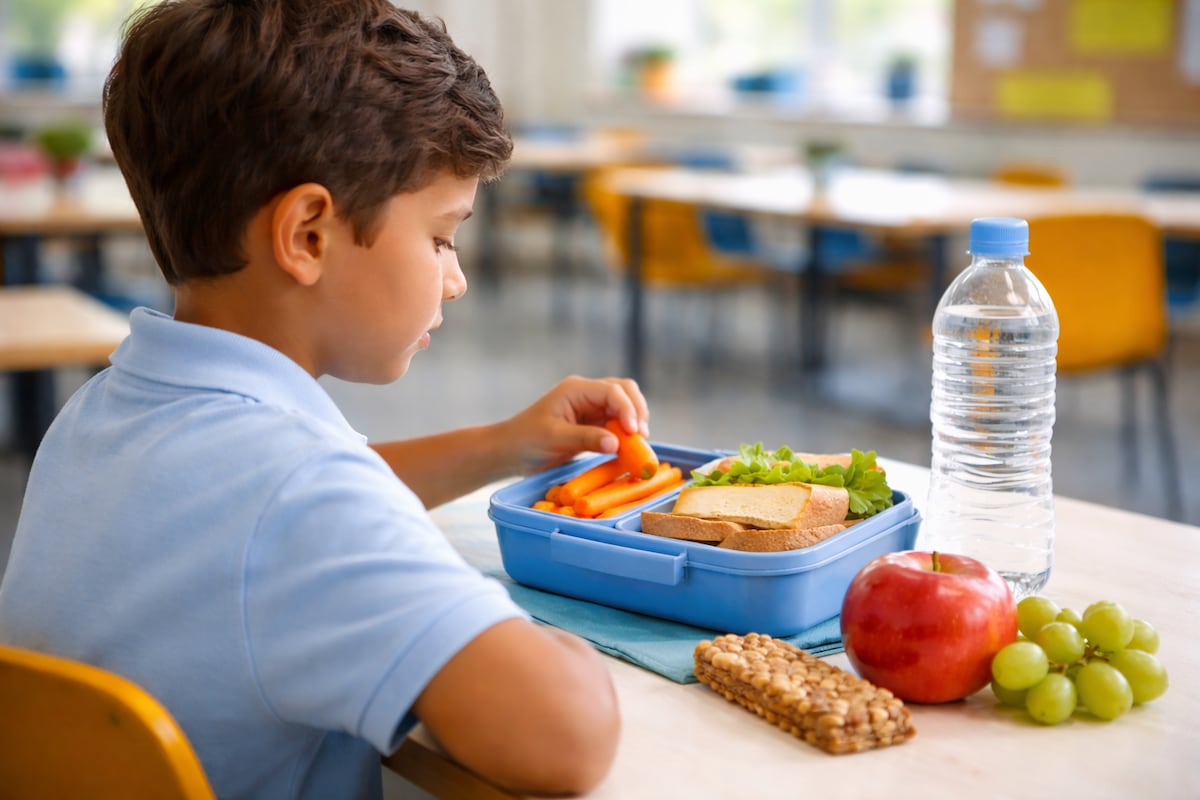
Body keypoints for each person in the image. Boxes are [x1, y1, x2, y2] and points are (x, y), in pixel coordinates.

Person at [0, 1, 632, 797]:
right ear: (306, 235)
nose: (456, 277)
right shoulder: (302, 500)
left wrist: (506, 444)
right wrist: (567, 640)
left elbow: (278, 511)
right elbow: (564, 738)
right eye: (440, 236)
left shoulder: (99, 415)